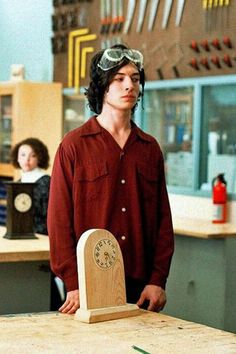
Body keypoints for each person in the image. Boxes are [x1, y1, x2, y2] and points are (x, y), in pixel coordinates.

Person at [48, 44, 174, 314]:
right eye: (119, 79)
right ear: (102, 86)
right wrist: (73, 282)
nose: (129, 85)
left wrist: (157, 279)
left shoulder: (149, 148)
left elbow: (163, 220)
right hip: (87, 286)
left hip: (141, 289)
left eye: (135, 78)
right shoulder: (74, 146)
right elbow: (58, 219)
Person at [11, 137, 65, 310]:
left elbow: (51, 216)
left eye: (32, 155)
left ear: (39, 158)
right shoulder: (18, 182)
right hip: (23, 240)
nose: (27, 159)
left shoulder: (45, 182)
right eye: (23, 155)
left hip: (42, 239)